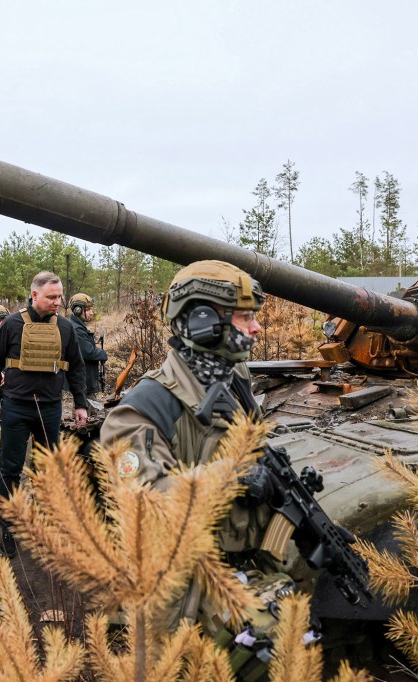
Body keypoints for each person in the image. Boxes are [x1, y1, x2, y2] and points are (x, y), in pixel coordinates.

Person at [100, 260, 288, 677]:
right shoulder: (142, 412)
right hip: (179, 594)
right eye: (245, 317)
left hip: (237, 566)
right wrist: (233, 479)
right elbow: (147, 503)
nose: (256, 328)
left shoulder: (231, 379)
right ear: (202, 322)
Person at [0, 271, 88, 556]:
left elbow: (76, 367)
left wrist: (80, 404)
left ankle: (47, 525)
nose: (58, 301)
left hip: (51, 407)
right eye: (52, 297)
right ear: (35, 295)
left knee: (46, 469)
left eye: (60, 296)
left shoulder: (65, 328)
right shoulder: (12, 325)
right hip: (15, 407)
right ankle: (9, 525)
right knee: (10, 469)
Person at [68, 293, 108, 398]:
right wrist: (102, 354)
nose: (91, 313)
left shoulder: (78, 326)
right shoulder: (76, 329)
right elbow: (88, 352)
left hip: (84, 381)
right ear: (78, 310)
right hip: (82, 382)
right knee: (86, 411)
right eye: (88, 309)